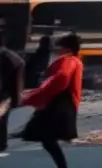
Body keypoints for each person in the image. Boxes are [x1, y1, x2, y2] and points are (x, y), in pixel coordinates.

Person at [19, 33, 84, 168]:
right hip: (60, 103)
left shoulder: (69, 60)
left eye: (59, 47)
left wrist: (36, 95)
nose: (57, 51)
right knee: (46, 138)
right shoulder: (74, 60)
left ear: (67, 48)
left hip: (59, 104)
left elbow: (61, 78)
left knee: (45, 137)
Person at [0, 26, 25, 156]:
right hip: (5, 95)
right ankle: (1, 145)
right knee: (2, 121)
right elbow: (17, 77)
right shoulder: (12, 57)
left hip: (3, 95)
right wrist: (16, 98)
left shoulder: (8, 56)